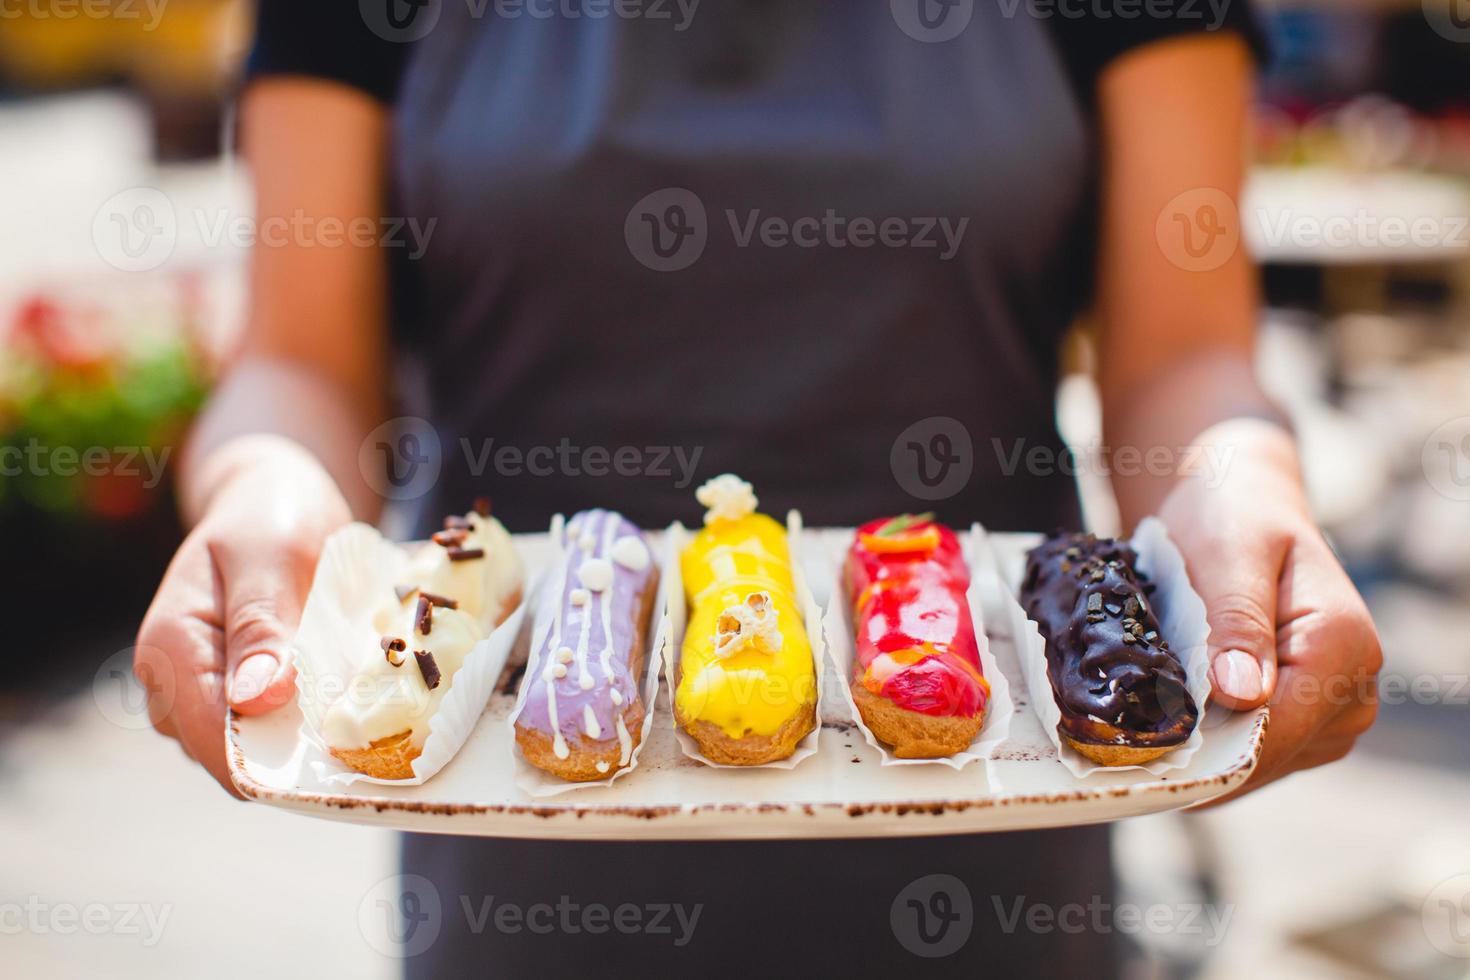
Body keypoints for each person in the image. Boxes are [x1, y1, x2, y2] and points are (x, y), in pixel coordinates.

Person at [136, 3, 1382, 976]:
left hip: (990, 822)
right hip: (519, 832)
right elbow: (299, 361)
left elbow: (1185, 356)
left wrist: (1240, 481)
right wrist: (265, 486)